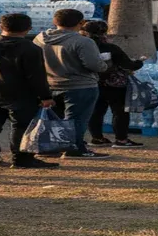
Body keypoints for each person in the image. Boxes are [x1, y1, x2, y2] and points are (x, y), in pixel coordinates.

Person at [0, 13, 58, 169]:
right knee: (21, 126)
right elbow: (36, 76)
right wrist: (45, 96)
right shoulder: (30, 48)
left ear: (1, 26)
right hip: (21, 92)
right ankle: (22, 159)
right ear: (28, 28)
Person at [33, 9, 110, 159]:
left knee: (55, 120)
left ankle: (53, 147)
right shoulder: (83, 41)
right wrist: (105, 64)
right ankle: (75, 148)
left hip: (50, 84)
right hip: (80, 85)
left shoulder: (40, 39)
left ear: (55, 22)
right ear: (81, 23)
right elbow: (94, 65)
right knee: (76, 120)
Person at [79, 20, 147, 149]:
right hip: (114, 85)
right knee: (119, 112)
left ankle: (97, 138)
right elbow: (128, 65)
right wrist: (140, 62)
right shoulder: (110, 48)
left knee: (96, 111)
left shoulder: (82, 46)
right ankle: (121, 139)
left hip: (91, 83)